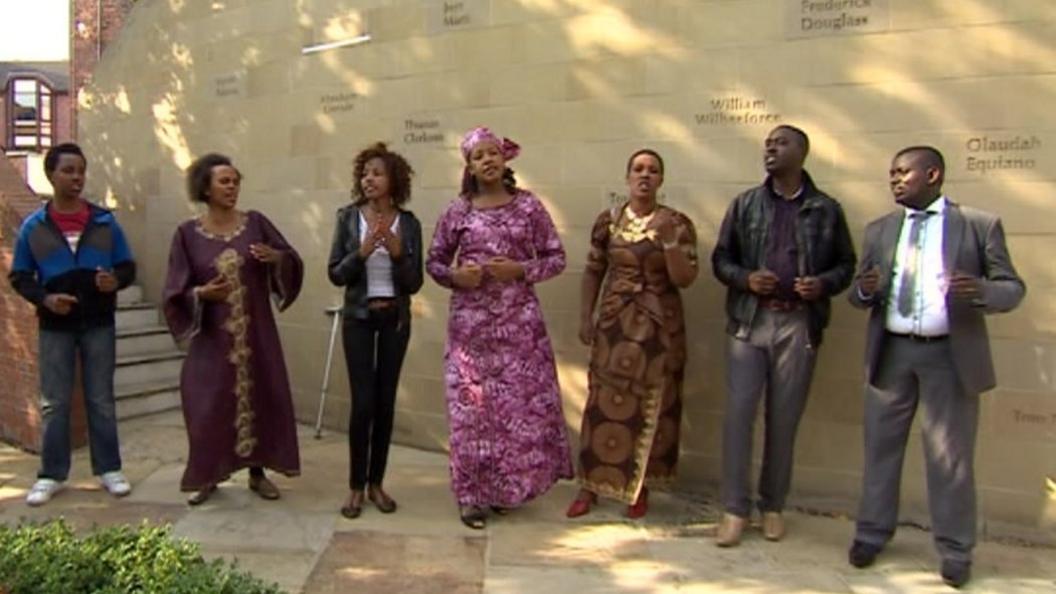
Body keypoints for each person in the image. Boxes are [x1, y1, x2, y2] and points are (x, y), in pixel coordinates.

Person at [846, 146, 1025, 588]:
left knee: (950, 458)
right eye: (891, 173)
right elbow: (856, 294)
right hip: (892, 354)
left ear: (933, 174)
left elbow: (1013, 288)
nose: (895, 179)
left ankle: (955, 549)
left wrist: (981, 289)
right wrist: (865, 290)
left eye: (904, 172)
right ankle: (871, 533)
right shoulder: (880, 230)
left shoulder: (978, 225)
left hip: (949, 357)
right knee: (880, 449)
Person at [711, 125, 856, 546]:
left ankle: (772, 506)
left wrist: (824, 284)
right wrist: (745, 278)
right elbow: (721, 259)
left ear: (803, 153)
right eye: (768, 144)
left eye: (781, 143)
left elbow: (846, 263)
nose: (771, 148)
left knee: (784, 419)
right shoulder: (746, 205)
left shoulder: (826, 209)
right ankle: (734, 510)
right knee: (738, 417)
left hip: (798, 324)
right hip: (749, 322)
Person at [426, 126, 572, 529]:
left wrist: (520, 270)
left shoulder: (529, 208)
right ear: (469, 167)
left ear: (505, 160)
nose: (487, 160)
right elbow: (435, 262)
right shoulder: (458, 212)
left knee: (515, 412)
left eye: (493, 153)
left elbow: (556, 258)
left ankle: (505, 489)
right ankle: (471, 495)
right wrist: (457, 276)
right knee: (471, 411)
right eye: (479, 156)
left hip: (520, 329)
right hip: (470, 331)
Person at [162, 153, 304, 506]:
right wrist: (201, 294)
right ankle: (209, 475)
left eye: (236, 180)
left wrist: (277, 259)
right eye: (224, 181)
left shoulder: (255, 223)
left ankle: (258, 473)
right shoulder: (187, 235)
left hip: (257, 337)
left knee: (261, 396)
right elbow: (174, 291)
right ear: (205, 188)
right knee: (206, 405)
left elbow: (290, 258)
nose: (232, 187)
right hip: (211, 341)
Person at [566, 149, 698, 520]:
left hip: (659, 329)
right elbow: (593, 270)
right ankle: (590, 487)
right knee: (600, 406)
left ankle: (637, 490)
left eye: (653, 170)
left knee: (650, 405)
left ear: (661, 180)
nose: (645, 175)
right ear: (627, 177)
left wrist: (670, 242)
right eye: (638, 169)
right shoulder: (608, 221)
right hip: (614, 324)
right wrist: (585, 316)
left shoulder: (678, 223)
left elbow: (685, 279)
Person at [9, 142, 136, 506]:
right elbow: (20, 276)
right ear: (51, 175)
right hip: (55, 326)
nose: (77, 177)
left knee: (101, 399)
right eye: (68, 171)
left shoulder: (104, 222)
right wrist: (46, 299)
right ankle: (51, 474)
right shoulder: (34, 227)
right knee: (54, 402)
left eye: (81, 170)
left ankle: (109, 469)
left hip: (99, 322)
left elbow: (127, 267)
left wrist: (116, 281)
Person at [328, 142, 423, 519]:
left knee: (385, 404)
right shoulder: (348, 218)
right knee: (363, 403)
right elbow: (336, 272)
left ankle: (376, 484)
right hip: (359, 319)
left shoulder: (410, 223)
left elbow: (414, 283)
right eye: (365, 173)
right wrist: (364, 251)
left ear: (394, 180)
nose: (369, 179)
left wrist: (399, 251)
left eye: (377, 173)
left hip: (395, 320)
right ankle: (354, 486)